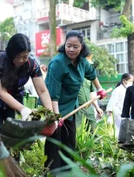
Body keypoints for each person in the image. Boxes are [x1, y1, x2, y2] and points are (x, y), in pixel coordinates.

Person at [0, 33, 53, 176]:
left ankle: (11, 172)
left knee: (13, 137)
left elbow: (42, 90)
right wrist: (23, 109)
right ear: (11, 53)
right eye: (18, 57)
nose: (22, 60)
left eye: (25, 56)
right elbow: (1, 92)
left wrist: (50, 114)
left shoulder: (31, 64)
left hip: (13, 100)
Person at [44, 30, 107, 173]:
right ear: (64, 45)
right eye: (68, 45)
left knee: (69, 141)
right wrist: (56, 116)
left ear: (81, 47)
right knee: (55, 142)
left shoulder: (83, 62)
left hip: (71, 107)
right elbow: (53, 94)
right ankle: (53, 173)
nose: (71, 49)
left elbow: (92, 74)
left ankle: (68, 172)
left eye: (75, 46)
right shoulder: (57, 63)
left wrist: (100, 89)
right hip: (54, 106)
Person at [76, 55, 103, 130]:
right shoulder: (72, 77)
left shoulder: (90, 78)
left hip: (88, 108)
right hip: (77, 109)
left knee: (93, 130)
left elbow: (92, 94)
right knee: (78, 132)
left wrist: (97, 107)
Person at [106, 73, 134, 137]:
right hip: (117, 114)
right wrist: (110, 116)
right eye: (130, 81)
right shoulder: (118, 90)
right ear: (124, 81)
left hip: (125, 114)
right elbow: (112, 103)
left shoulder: (128, 90)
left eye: (132, 81)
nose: (131, 83)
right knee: (118, 131)